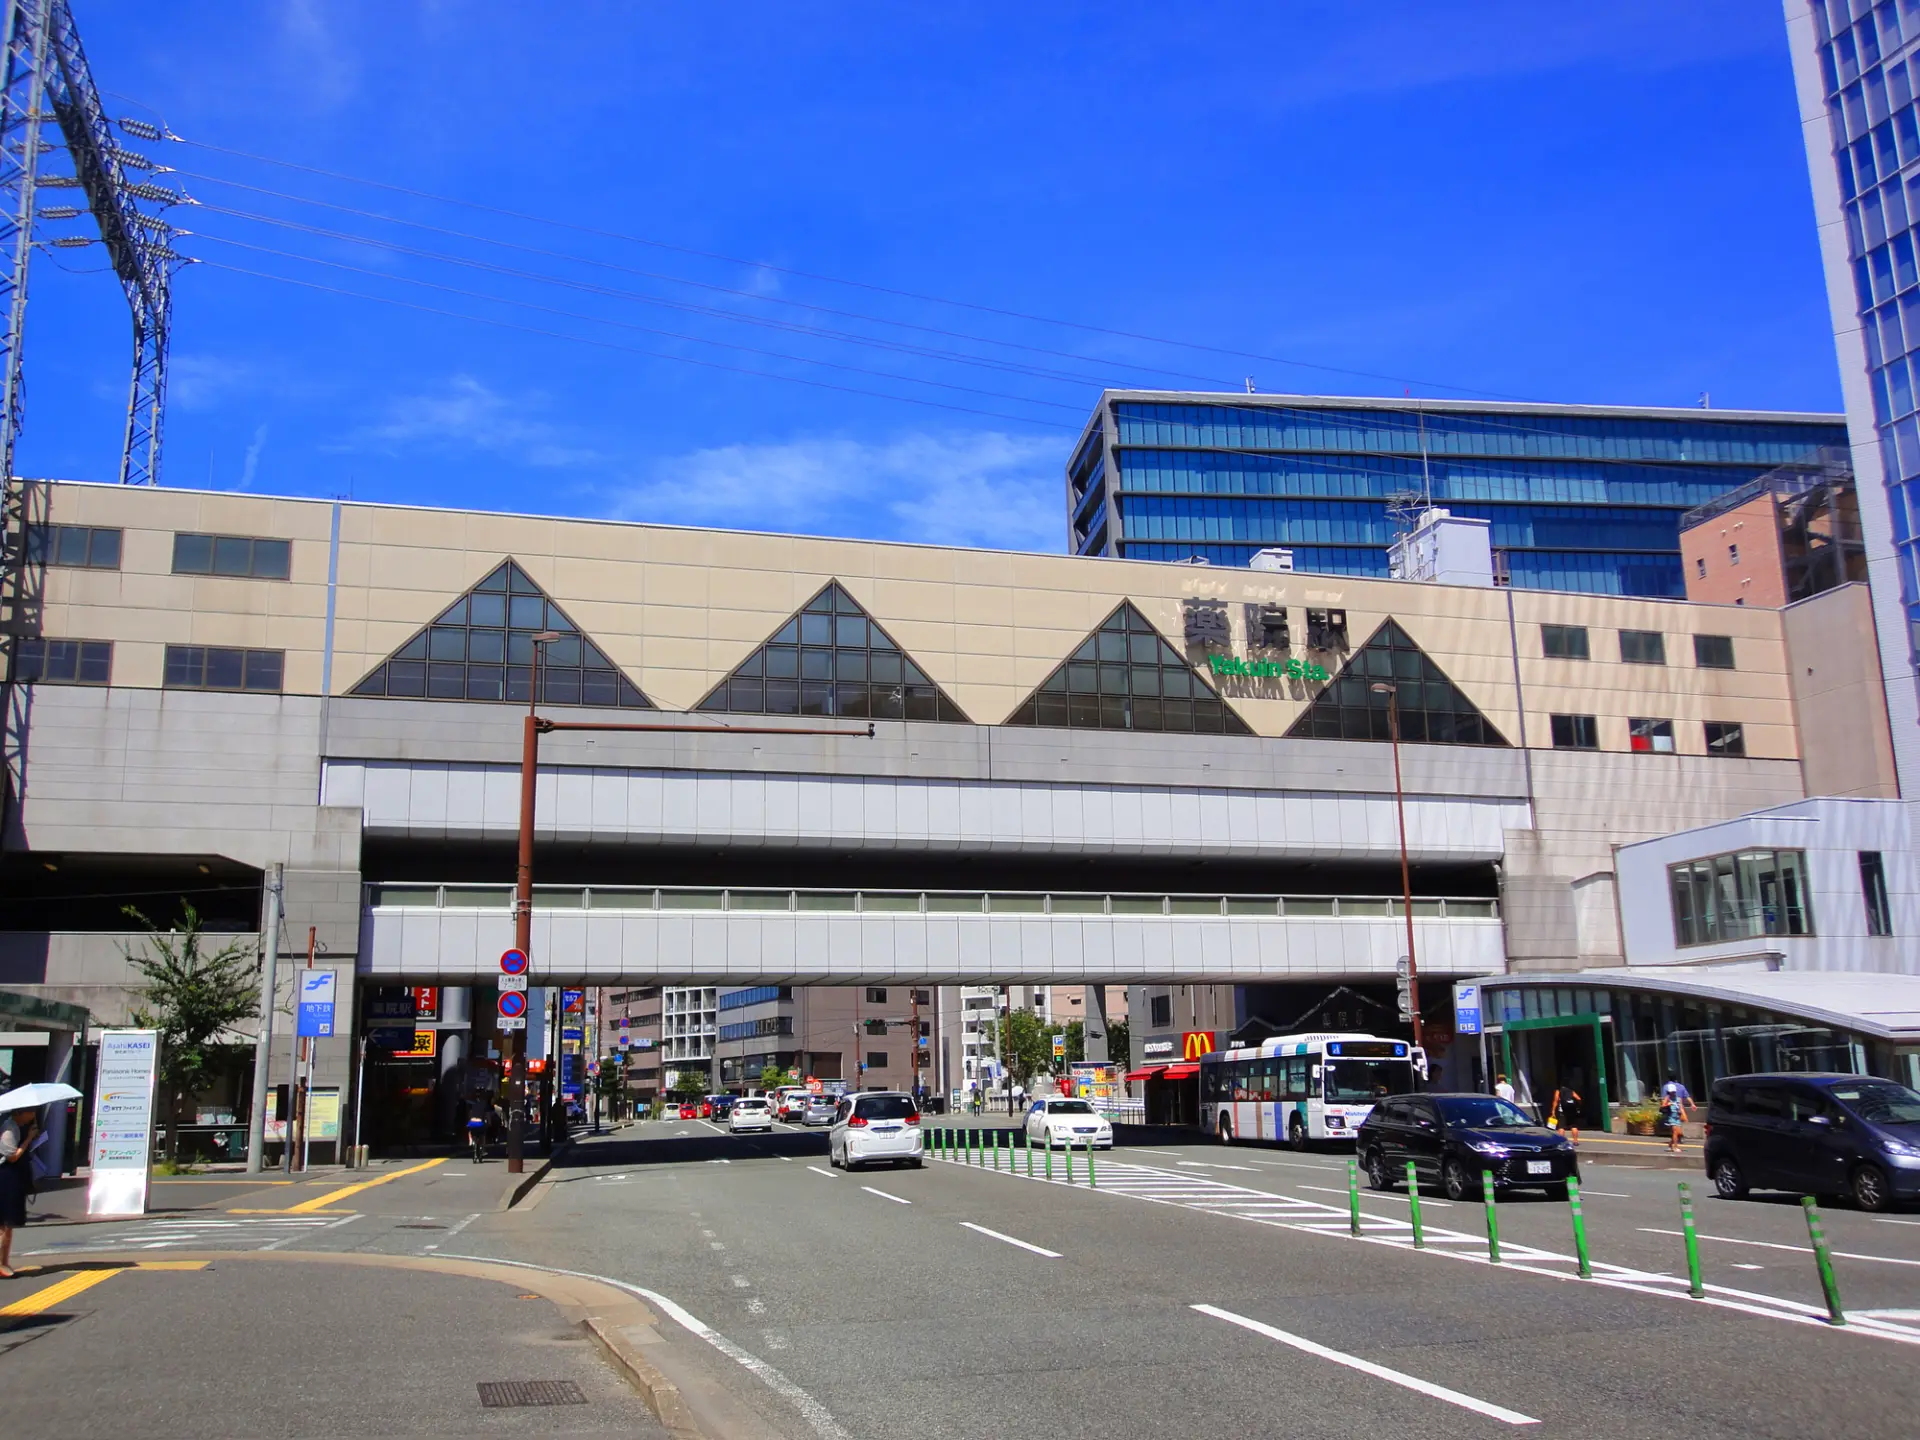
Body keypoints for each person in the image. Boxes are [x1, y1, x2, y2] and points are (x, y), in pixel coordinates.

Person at [0, 1106, 40, 1279]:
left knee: (7, 1224)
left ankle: (4, 1262)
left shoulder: (17, 1127)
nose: (32, 1115)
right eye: (30, 1112)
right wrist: (29, 1139)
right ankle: (1, 1264)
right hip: (6, 1178)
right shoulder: (9, 1129)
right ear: (19, 1113)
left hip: (13, 1177)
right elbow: (11, 1156)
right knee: (4, 1223)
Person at [1659, 1077, 1696, 1155]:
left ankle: (1670, 1145)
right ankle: (1675, 1147)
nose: (1673, 1093)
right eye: (1671, 1092)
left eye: (1673, 1092)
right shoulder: (1667, 1098)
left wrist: (1680, 1111)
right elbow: (1662, 1106)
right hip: (1671, 1116)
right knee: (1675, 1131)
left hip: (1677, 1116)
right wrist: (1668, 1104)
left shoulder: (1678, 1098)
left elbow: (1681, 1105)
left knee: (1678, 1132)